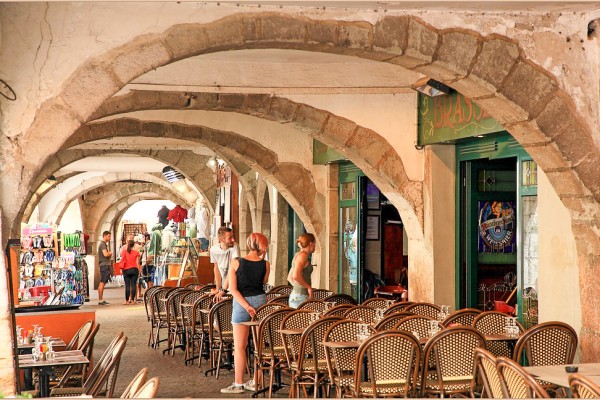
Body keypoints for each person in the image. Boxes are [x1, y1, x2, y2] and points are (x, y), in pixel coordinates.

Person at [220, 232, 270, 394]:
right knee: (258, 346)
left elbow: (232, 289)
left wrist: (246, 306)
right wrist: (253, 305)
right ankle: (256, 381)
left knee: (240, 346)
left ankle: (238, 383)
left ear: (249, 244)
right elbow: (263, 283)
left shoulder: (236, 262)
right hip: (261, 303)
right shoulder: (266, 264)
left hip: (242, 304)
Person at [210, 226, 240, 301]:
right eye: (230, 238)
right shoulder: (213, 250)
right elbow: (216, 269)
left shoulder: (235, 246)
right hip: (224, 286)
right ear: (221, 239)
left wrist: (223, 290)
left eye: (232, 236)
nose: (233, 239)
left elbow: (232, 268)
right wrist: (218, 288)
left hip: (235, 286)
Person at [288, 233, 316, 309]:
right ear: (311, 243)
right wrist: (308, 287)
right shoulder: (303, 256)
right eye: (314, 243)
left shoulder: (297, 255)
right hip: (300, 297)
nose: (315, 246)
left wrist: (298, 288)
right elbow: (295, 276)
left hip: (297, 295)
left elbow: (289, 277)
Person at [120, 239, 140, 305]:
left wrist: (121, 269)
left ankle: (126, 300)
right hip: (134, 269)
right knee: (133, 285)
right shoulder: (136, 252)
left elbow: (122, 260)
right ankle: (133, 300)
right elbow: (137, 262)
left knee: (127, 285)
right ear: (134, 245)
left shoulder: (124, 252)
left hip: (126, 270)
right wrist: (139, 270)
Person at [97, 231, 113, 305]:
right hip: (104, 265)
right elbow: (105, 254)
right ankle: (100, 300)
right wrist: (110, 253)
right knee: (102, 282)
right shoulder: (102, 244)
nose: (110, 238)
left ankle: (101, 299)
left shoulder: (104, 244)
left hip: (105, 265)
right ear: (105, 236)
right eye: (109, 236)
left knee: (103, 282)